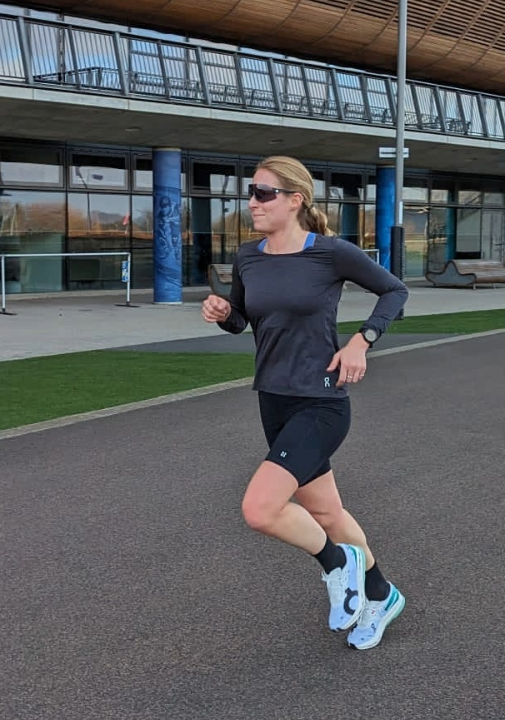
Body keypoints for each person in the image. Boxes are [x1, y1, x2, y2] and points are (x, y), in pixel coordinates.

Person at [200, 155, 410, 650]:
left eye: (264, 193)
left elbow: (394, 291)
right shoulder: (249, 257)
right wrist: (223, 312)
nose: (253, 202)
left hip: (321, 400)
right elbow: (245, 321)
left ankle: (340, 564)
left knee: (260, 508)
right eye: (250, 192)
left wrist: (362, 341)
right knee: (330, 515)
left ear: (295, 200)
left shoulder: (330, 253)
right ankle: (381, 595)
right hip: (272, 399)